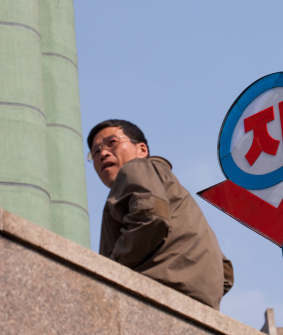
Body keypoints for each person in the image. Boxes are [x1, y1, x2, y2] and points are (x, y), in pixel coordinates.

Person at [86, 119, 233, 309]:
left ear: (142, 150)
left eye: (112, 143)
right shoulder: (178, 194)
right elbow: (226, 272)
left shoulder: (135, 168)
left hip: (152, 295)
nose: (103, 154)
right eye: (95, 152)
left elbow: (150, 217)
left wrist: (110, 268)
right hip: (201, 306)